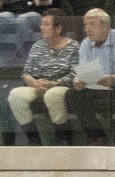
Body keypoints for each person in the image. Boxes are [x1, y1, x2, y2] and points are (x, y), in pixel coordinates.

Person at [64, 8, 115, 146]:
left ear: (105, 25)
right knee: (72, 94)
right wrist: (78, 81)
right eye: (85, 25)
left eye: (92, 24)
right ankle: (97, 137)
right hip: (98, 88)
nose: (87, 29)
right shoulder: (85, 44)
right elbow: (83, 72)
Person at [7, 9, 78, 145]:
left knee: (52, 94)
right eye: (41, 24)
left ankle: (62, 137)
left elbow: (74, 75)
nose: (41, 27)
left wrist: (53, 84)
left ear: (58, 28)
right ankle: (33, 139)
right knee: (15, 95)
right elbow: (26, 73)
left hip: (62, 86)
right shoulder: (37, 46)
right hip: (38, 85)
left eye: (46, 24)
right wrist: (35, 83)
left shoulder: (73, 47)